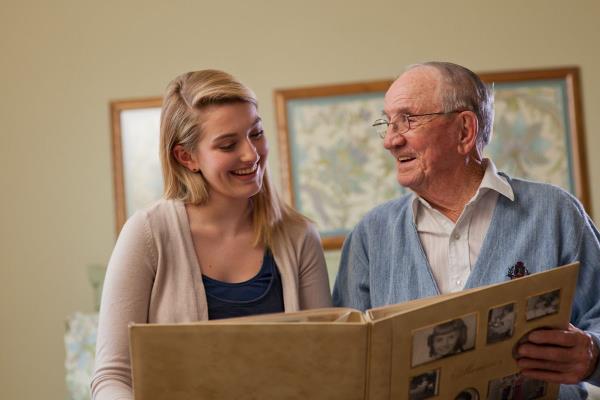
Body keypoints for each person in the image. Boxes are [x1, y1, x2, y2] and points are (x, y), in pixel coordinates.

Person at [332, 61, 600, 397]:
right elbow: (344, 362)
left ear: (464, 131)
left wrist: (593, 354)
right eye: (387, 123)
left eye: (408, 120)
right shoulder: (371, 235)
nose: (390, 140)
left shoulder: (555, 212)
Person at [91, 70, 332, 400]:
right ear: (187, 157)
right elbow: (112, 375)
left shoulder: (299, 237)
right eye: (228, 144)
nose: (251, 153)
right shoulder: (147, 233)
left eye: (256, 133)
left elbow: (326, 364)